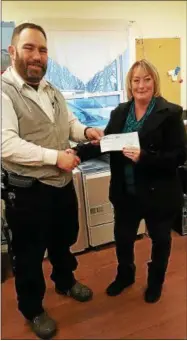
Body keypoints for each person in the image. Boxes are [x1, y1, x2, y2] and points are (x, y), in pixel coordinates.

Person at [2, 23, 104, 339]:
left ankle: (64, 280)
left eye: (43, 49)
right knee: (30, 255)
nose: (37, 55)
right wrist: (54, 157)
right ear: (13, 51)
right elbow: (5, 143)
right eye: (29, 47)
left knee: (63, 239)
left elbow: (68, 123)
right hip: (28, 192)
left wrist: (85, 131)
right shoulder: (4, 93)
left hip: (61, 186)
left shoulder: (51, 89)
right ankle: (33, 309)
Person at [74, 59, 187, 304]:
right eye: (136, 80)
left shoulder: (171, 113)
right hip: (126, 191)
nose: (141, 85)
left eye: (147, 79)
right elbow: (107, 143)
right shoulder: (120, 112)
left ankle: (155, 282)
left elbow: (180, 155)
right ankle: (125, 276)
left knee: (160, 240)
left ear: (154, 82)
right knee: (123, 239)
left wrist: (145, 157)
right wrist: (77, 153)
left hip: (159, 193)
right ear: (130, 84)